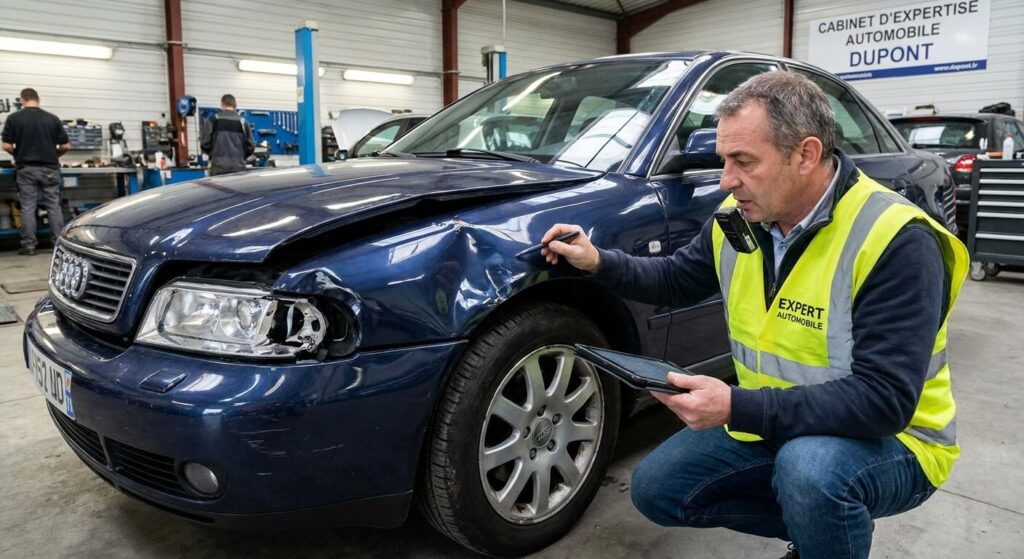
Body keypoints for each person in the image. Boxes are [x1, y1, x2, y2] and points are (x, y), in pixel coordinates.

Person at [540, 72, 967, 559]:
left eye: (743, 161)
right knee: (658, 488)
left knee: (812, 471)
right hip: (784, 421)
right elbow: (677, 278)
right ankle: (822, 529)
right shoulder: (741, 217)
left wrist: (734, 406)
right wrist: (598, 261)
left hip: (897, 441)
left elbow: (884, 401)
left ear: (806, 154)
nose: (726, 180)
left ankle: (825, 531)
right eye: (724, 160)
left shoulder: (895, 240)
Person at [1, 88, 69, 256]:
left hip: (26, 168)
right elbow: (65, 146)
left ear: (22, 100)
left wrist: (17, 154)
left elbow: (6, 146)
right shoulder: (52, 119)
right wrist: (54, 154)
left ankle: (28, 246)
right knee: (53, 205)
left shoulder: (14, 118)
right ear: (39, 99)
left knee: (28, 206)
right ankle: (58, 245)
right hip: (50, 168)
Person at [200, 94, 254, 175]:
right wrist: (239, 157)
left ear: (221, 104)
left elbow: (204, 144)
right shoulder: (243, 122)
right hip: (239, 168)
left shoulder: (213, 120)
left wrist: (214, 155)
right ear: (235, 105)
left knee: (218, 188)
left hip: (218, 168)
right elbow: (250, 147)